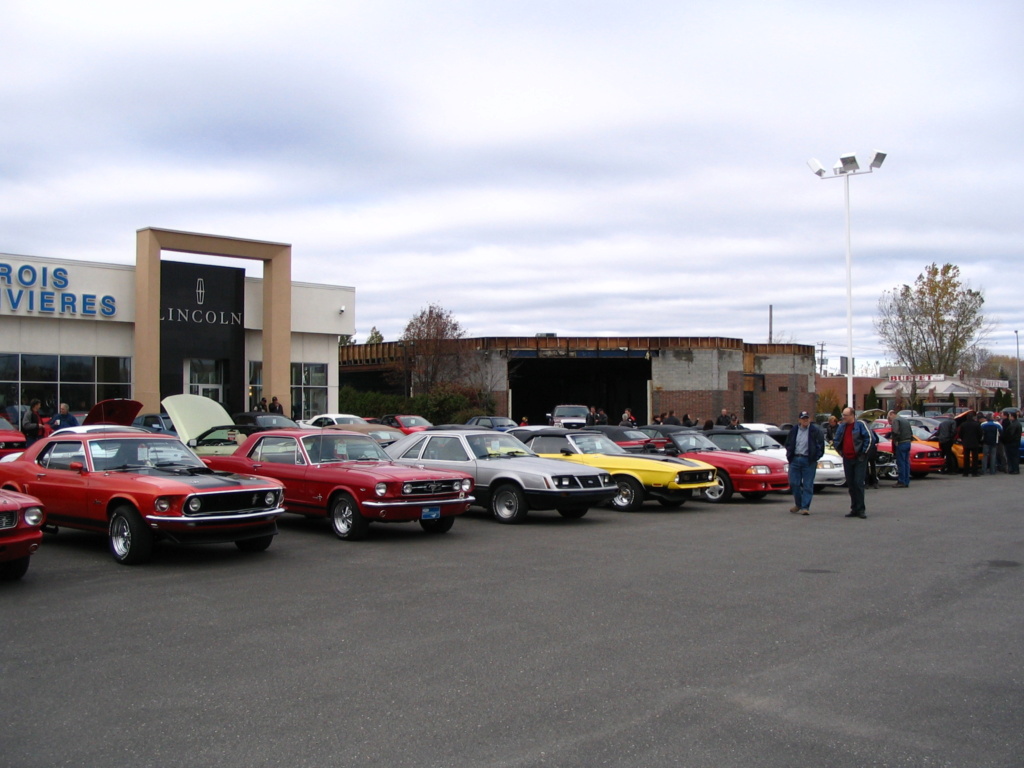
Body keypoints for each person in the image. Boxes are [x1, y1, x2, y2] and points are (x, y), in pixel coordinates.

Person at [785, 411, 825, 515]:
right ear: (799, 420)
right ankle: (798, 504)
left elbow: (821, 446)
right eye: (803, 418)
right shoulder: (794, 430)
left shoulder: (815, 431)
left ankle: (805, 507)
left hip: (809, 461)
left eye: (807, 418)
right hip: (795, 459)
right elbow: (788, 443)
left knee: (808, 485)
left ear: (810, 419)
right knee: (794, 483)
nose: (805, 420)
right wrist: (790, 455)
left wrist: (815, 457)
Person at [833, 407, 870, 519]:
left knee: (858, 483)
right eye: (843, 415)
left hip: (859, 459)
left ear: (852, 415)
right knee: (851, 484)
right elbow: (836, 440)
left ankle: (861, 509)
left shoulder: (860, 425)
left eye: (845, 415)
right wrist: (840, 451)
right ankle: (854, 508)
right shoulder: (842, 427)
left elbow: (868, 439)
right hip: (847, 459)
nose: (843, 417)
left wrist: (863, 453)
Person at [888, 410, 913, 488]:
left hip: (901, 443)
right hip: (908, 442)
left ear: (892, 414)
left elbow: (895, 432)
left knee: (901, 463)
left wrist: (894, 440)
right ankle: (906, 480)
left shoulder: (896, 420)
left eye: (889, 418)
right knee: (906, 463)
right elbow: (911, 432)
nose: (890, 420)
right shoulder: (905, 420)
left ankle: (901, 481)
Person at [958, 412, 982, 477]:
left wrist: (963, 439)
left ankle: (965, 472)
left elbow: (960, 434)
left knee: (966, 458)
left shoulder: (963, 424)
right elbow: (980, 434)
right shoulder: (976, 424)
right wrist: (978, 440)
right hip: (975, 443)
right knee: (975, 458)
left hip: (966, 443)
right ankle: (974, 472)